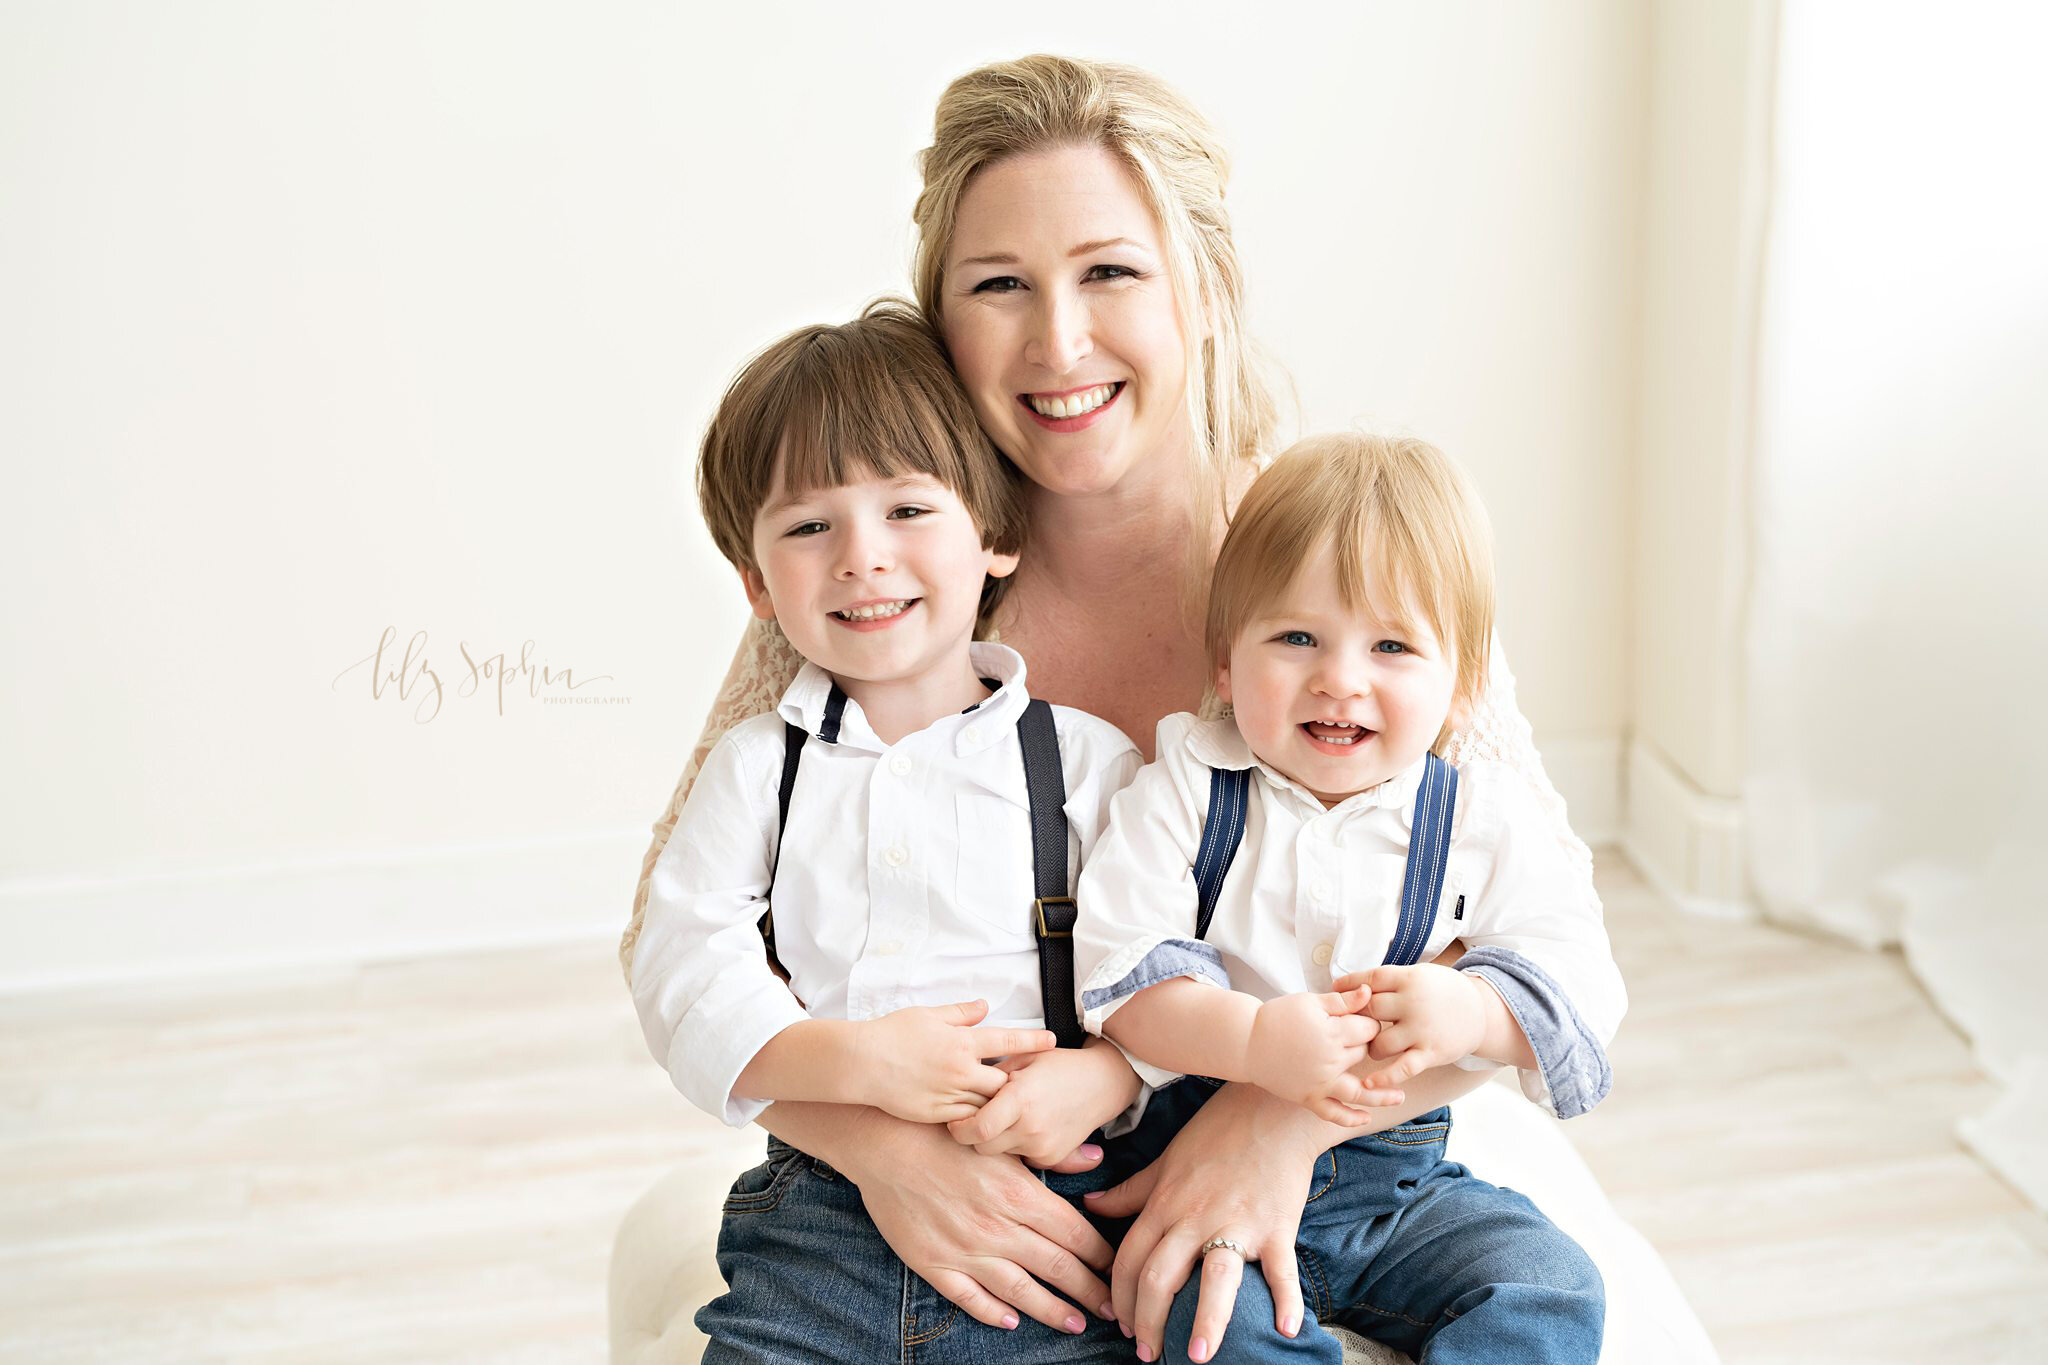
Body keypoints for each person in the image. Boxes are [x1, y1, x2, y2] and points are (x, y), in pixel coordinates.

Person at [623, 53, 1602, 1358]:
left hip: (1322, 1149)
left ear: (1202, 293)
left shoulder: (1337, 577)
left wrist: (1278, 1120)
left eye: (1110, 273)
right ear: (941, 324)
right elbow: (677, 938)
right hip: (968, 1175)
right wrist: (889, 1159)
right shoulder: (902, 584)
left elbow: (1521, 928)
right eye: (999, 288)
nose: (1059, 341)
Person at [628, 301, 1150, 1357]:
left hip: (1054, 1206)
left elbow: (1176, 949)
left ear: (994, 536)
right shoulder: (756, 773)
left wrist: (1114, 1074)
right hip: (816, 1224)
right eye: (808, 527)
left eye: (907, 509)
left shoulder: (1085, 764)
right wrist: (847, 1062)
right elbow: (683, 959)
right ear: (754, 584)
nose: (861, 558)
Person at [1076, 434, 1622, 1362]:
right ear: (1223, 663)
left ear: (1463, 685)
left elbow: (1579, 976)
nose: (1340, 677)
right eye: (1296, 638)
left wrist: (1475, 1008)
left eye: (1392, 645)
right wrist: (1251, 1042)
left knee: (1550, 1285)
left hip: (1395, 1185)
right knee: (1202, 1326)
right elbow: (1121, 969)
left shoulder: (1474, 815)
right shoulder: (1187, 788)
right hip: (1200, 1165)